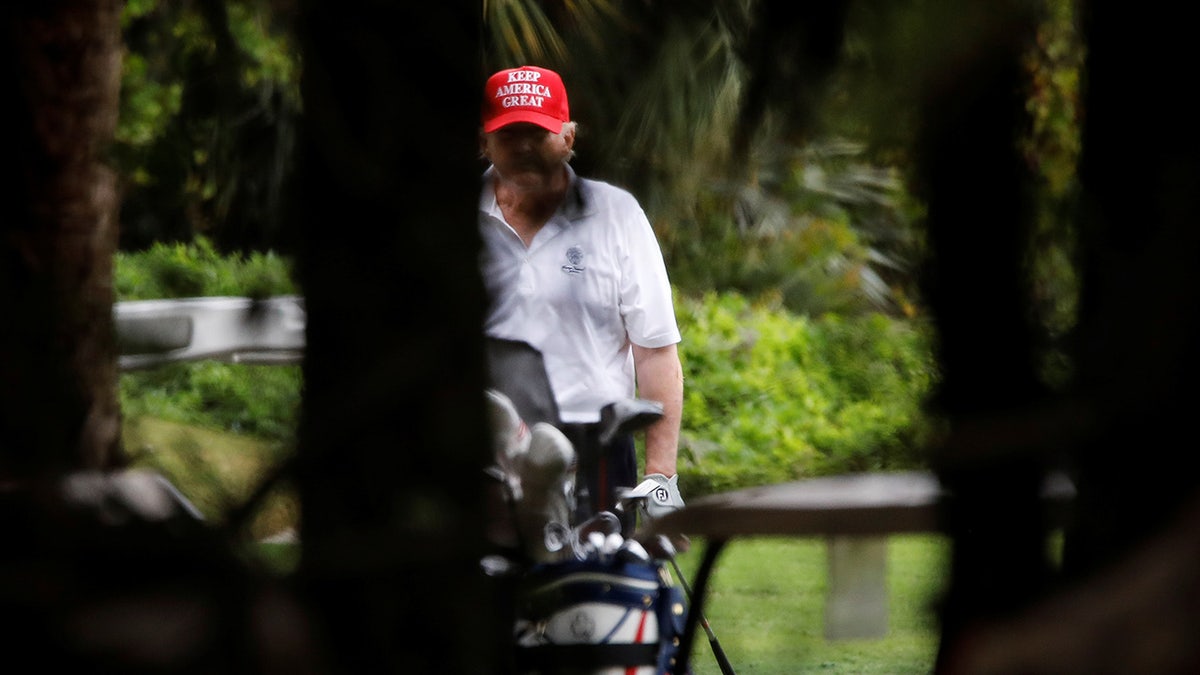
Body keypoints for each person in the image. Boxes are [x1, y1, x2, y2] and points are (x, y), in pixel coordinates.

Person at [478, 64, 684, 535]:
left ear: (568, 137)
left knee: (599, 595)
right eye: (511, 134)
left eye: (540, 133)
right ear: (484, 141)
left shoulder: (616, 216)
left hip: (597, 449)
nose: (526, 147)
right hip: (483, 452)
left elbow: (655, 352)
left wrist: (661, 478)